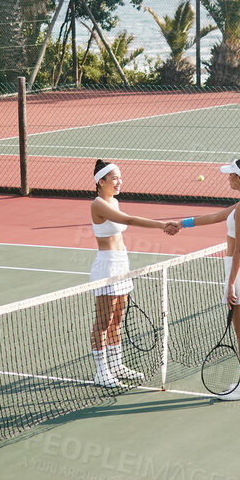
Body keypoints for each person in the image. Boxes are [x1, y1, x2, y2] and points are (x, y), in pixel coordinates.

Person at [176, 154, 240, 402]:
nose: (228, 178)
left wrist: (230, 284)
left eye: (230, 174)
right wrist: (181, 223)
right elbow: (215, 217)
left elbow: (238, 248)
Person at [89, 159, 181, 388]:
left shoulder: (115, 201)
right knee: (103, 322)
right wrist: (162, 225)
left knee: (117, 320)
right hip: (107, 268)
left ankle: (117, 364)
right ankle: (102, 372)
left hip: (122, 265)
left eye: (120, 177)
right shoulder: (98, 205)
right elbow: (129, 220)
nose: (119, 181)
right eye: (114, 178)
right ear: (101, 181)